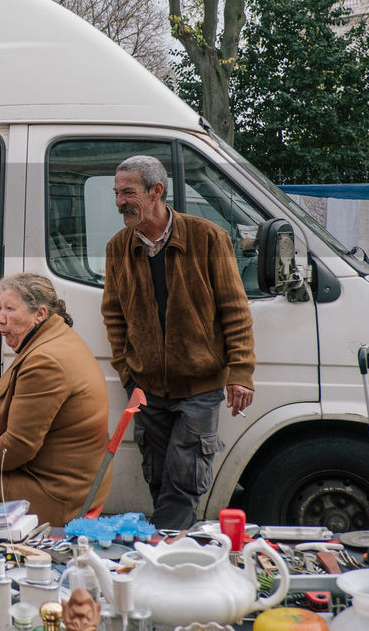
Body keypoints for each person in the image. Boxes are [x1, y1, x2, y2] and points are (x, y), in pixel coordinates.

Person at [101, 155, 255, 529]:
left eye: (128, 192)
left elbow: (234, 310)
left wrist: (241, 372)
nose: (120, 201)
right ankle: (172, 550)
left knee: (184, 480)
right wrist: (128, 375)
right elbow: (114, 315)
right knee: (157, 476)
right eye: (117, 193)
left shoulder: (207, 237)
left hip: (199, 388)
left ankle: (165, 548)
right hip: (146, 389)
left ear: (157, 191)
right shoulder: (118, 247)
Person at [0, 273, 111, 527]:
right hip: (68, 478)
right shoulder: (53, 339)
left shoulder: (45, 361)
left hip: (56, 492)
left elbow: (18, 447)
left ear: (40, 313)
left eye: (9, 309)